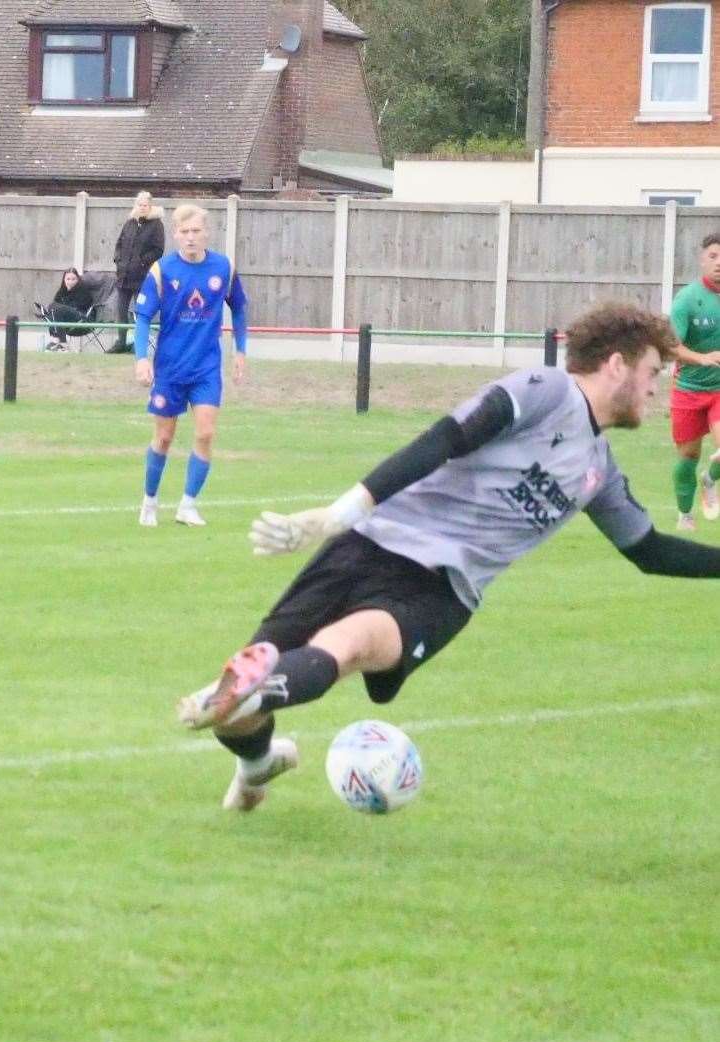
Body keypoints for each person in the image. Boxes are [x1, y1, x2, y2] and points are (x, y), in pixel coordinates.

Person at [175, 301, 711, 814]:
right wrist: (337, 516)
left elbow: (649, 550)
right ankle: (258, 759)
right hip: (367, 542)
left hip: (439, 589)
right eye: (652, 372)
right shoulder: (548, 391)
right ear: (616, 364)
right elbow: (448, 438)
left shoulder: (599, 469)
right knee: (240, 717)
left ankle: (251, 688)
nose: (654, 389)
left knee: (349, 644)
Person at [132, 204, 248, 528]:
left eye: (196, 231)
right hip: (169, 369)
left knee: (206, 432)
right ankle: (150, 502)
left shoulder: (223, 268)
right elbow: (142, 316)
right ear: (175, 234)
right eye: (184, 232)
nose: (190, 237)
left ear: (206, 233)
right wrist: (142, 358)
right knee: (165, 437)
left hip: (206, 368)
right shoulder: (162, 270)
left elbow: (239, 309)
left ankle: (188, 504)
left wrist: (241, 351)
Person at [666, 233, 720, 530]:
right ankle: (685, 515)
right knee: (688, 455)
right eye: (713, 256)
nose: (719, 263)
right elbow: (671, 345)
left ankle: (710, 479)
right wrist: (702, 358)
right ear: (702, 259)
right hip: (689, 389)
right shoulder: (687, 299)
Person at [110, 192, 165, 355]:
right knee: (121, 311)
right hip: (123, 276)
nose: (142, 207)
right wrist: (118, 260)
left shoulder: (156, 225)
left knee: (141, 312)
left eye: (145, 205)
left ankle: (137, 344)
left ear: (150, 206)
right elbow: (119, 243)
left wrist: (142, 261)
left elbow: (158, 250)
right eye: (139, 205)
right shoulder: (130, 223)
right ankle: (121, 342)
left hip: (142, 277)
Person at [42, 267, 96, 351]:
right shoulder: (61, 292)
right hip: (64, 320)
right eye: (68, 279)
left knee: (54, 308)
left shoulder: (83, 291)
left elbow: (77, 308)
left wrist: (59, 308)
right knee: (52, 310)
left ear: (78, 280)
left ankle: (61, 342)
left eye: (73, 279)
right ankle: (56, 341)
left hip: (81, 319)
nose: (70, 282)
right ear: (64, 280)